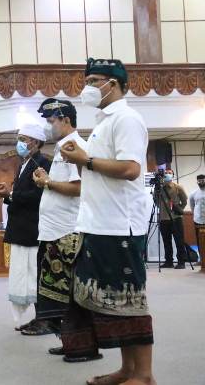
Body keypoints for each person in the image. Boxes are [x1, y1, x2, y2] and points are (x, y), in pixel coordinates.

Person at [61, 58, 155, 385]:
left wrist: (85, 159)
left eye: (92, 80)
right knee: (112, 303)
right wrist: (80, 159)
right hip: (99, 223)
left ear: (112, 84)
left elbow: (130, 169)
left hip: (120, 226)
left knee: (129, 300)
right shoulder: (103, 121)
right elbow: (97, 170)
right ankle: (127, 369)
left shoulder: (126, 119)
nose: (87, 88)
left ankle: (143, 375)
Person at [29, 99, 102, 361]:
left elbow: (80, 188)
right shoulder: (61, 148)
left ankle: (84, 347)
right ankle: (70, 341)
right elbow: (61, 184)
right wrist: (46, 182)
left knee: (71, 293)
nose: (48, 127)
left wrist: (48, 182)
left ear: (66, 120)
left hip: (68, 231)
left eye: (51, 121)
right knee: (57, 293)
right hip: (53, 231)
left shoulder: (75, 146)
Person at [0, 123, 51, 334]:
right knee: (26, 277)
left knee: (35, 275)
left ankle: (44, 319)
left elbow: (39, 197)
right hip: (21, 229)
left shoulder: (42, 163)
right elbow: (21, 196)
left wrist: (11, 194)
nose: (19, 144)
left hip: (33, 230)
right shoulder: (24, 163)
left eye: (23, 139)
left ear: (35, 142)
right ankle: (37, 318)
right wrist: (8, 195)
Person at [158, 169, 188, 269]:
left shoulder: (178, 187)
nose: (167, 174)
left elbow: (184, 201)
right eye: (166, 173)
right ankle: (168, 261)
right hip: (163, 218)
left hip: (176, 218)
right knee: (166, 241)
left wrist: (179, 210)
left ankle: (181, 262)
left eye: (169, 173)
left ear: (173, 175)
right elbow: (156, 201)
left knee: (179, 241)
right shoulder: (159, 188)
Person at [188, 174, 205, 269]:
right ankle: (202, 260)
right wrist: (195, 214)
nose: (201, 182)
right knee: (200, 241)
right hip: (198, 220)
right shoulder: (194, 193)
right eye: (199, 181)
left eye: (202, 180)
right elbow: (192, 205)